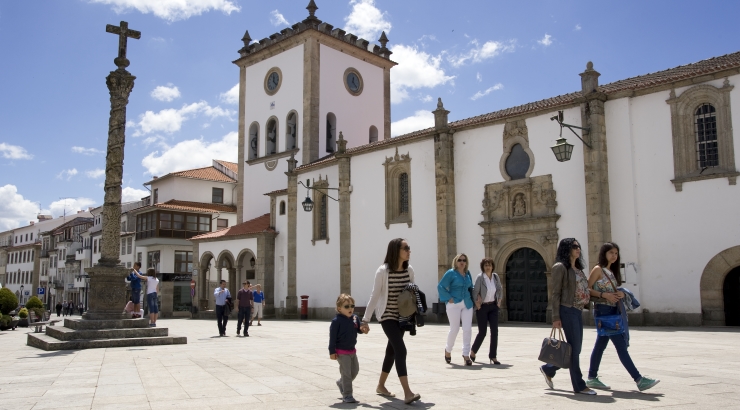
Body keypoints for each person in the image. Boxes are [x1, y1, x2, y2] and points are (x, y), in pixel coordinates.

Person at [586, 242, 660, 392]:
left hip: (612, 311)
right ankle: (639, 379)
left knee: (600, 345)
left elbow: (614, 289)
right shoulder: (598, 269)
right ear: (604, 253)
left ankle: (592, 378)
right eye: (611, 253)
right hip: (604, 311)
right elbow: (587, 288)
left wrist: (621, 293)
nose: (614, 256)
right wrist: (603, 294)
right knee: (620, 347)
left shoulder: (611, 271)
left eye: (616, 253)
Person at [363, 238, 421, 405]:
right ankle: (408, 393)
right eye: (406, 248)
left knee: (392, 351)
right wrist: (365, 319)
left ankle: (381, 385)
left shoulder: (409, 270)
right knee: (401, 350)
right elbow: (374, 296)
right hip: (387, 316)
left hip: (402, 317)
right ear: (396, 250)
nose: (409, 251)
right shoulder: (382, 271)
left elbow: (412, 292)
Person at [540, 238, 597, 395]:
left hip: (577, 310)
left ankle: (549, 368)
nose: (578, 249)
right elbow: (556, 293)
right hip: (567, 310)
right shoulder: (560, 267)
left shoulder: (578, 268)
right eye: (574, 246)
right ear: (566, 249)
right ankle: (579, 385)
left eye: (578, 246)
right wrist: (555, 317)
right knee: (575, 348)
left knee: (574, 349)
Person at [329, 293, 369, 403]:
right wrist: (332, 352)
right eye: (347, 306)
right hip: (341, 352)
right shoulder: (336, 321)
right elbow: (332, 338)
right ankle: (347, 395)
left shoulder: (355, 318)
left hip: (352, 350)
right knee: (346, 373)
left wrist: (363, 330)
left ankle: (341, 382)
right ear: (339, 308)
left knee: (355, 371)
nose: (350, 308)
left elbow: (358, 329)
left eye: (352, 306)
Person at [437, 253, 475, 366]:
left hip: (467, 303)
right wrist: (448, 298)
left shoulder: (468, 273)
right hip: (454, 304)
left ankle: (466, 354)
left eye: (464, 260)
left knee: (467, 329)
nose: (462, 262)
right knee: (455, 329)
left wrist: (476, 296)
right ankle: (448, 350)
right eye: (459, 260)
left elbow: (470, 287)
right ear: (456, 261)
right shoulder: (451, 273)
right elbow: (441, 286)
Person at [470, 257, 503, 364]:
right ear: (483, 267)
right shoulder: (480, 278)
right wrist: (477, 304)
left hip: (493, 306)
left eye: (489, 265)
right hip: (482, 307)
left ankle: (493, 356)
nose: (488, 267)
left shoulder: (495, 277)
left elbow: (500, 289)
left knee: (495, 332)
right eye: (486, 265)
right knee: (482, 332)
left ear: (492, 266)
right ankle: (473, 351)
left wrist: (499, 301)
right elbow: (475, 292)